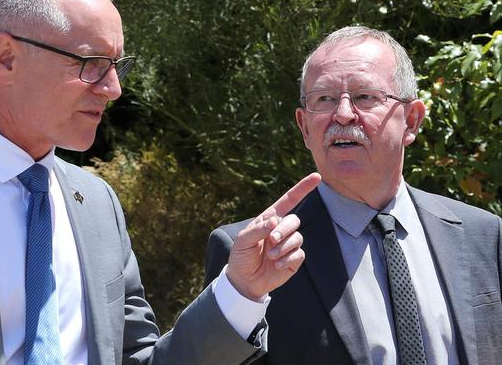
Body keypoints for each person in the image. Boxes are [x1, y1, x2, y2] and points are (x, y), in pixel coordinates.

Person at [0, 0, 320, 365]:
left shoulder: (95, 202)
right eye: (92, 63)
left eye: (117, 65)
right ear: (7, 58)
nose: (113, 88)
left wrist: (239, 291)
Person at [205, 26, 502, 365]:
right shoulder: (253, 256)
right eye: (324, 99)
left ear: (411, 121)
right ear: (304, 126)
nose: (343, 114)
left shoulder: (483, 236)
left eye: (364, 96)